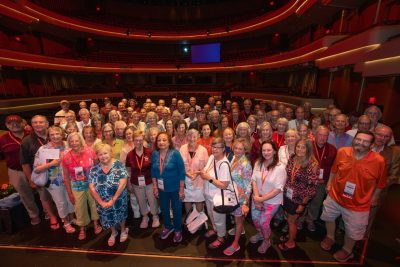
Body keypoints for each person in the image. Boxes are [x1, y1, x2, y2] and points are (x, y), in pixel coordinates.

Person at [320, 131, 387, 262]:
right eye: (358, 139)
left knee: (353, 231)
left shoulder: (379, 161)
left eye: (365, 141)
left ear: (371, 145)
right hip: (335, 196)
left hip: (358, 204)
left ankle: (347, 250)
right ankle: (330, 237)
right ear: (354, 139)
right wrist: (329, 184)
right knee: (328, 217)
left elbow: (381, 183)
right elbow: (334, 170)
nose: (360, 143)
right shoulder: (343, 152)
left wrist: (375, 197)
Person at [33, 126, 75, 233]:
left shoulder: (69, 145)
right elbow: (36, 169)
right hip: (55, 182)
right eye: (52, 134)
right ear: (49, 136)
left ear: (62, 134)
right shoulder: (44, 149)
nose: (55, 136)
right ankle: (65, 222)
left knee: (71, 201)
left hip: (71, 179)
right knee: (61, 202)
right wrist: (51, 164)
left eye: (58, 134)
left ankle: (71, 218)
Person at [279, 139, 319, 251]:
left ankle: (291, 242)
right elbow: (287, 174)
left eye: (303, 147)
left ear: (308, 149)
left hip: (299, 198)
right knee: (289, 218)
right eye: (298, 147)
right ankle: (291, 235)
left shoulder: (313, 164)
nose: (299, 149)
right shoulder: (293, 158)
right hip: (288, 194)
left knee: (292, 220)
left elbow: (312, 188)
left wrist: (303, 204)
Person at [0, 115, 40, 225]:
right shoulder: (2, 139)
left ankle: (48, 212)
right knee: (25, 194)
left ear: (23, 123)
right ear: (6, 125)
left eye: (17, 122)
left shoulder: (32, 135)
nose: (14, 125)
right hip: (16, 171)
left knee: (43, 192)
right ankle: (34, 215)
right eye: (10, 123)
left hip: (36, 169)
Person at [20, 115, 59, 229]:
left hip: (58, 173)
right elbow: (25, 163)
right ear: (32, 125)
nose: (38, 124)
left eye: (41, 122)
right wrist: (30, 179)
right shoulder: (27, 141)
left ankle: (64, 216)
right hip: (42, 174)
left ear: (47, 124)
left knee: (60, 197)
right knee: (45, 197)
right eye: (35, 122)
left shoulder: (55, 135)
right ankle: (52, 216)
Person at [62, 132, 102, 240]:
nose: (74, 143)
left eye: (76, 140)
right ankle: (82, 227)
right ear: (69, 142)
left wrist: (99, 183)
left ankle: (96, 223)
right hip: (76, 185)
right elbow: (65, 176)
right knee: (79, 207)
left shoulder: (90, 151)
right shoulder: (65, 157)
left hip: (91, 183)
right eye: (71, 141)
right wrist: (69, 193)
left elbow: (98, 167)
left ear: (81, 140)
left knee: (94, 204)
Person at [250, 141, 287, 253]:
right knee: (255, 220)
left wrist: (261, 199)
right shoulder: (258, 163)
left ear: (275, 151)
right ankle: (261, 234)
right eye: (264, 150)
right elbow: (254, 180)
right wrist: (257, 197)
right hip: (257, 197)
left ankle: (266, 240)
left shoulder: (280, 167)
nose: (266, 152)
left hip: (272, 201)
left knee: (263, 222)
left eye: (269, 150)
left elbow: (277, 189)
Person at [88, 144, 129, 247]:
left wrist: (113, 199)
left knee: (121, 214)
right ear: (97, 156)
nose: (103, 156)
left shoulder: (119, 165)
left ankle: (123, 230)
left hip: (118, 199)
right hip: (103, 202)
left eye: (105, 153)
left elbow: (123, 183)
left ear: (111, 153)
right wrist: (101, 202)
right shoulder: (94, 169)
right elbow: (92, 188)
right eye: (100, 154)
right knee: (107, 216)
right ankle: (114, 232)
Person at [152, 132, 185, 243]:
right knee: (164, 208)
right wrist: (155, 187)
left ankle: (177, 229)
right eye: (159, 140)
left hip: (175, 188)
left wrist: (181, 189)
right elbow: (153, 171)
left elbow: (182, 172)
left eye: (164, 140)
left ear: (169, 142)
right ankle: (167, 226)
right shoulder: (155, 154)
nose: (161, 142)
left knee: (176, 209)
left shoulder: (175, 153)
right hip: (162, 188)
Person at [303, 126, 337, 231]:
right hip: (306, 181)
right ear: (315, 135)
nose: (322, 137)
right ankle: (300, 219)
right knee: (303, 201)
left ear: (328, 137)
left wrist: (329, 182)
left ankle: (311, 220)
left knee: (316, 203)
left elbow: (334, 168)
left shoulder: (332, 149)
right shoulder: (307, 146)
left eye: (325, 135)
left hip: (321, 182)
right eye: (320, 134)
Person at [200, 137, 230, 249]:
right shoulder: (212, 157)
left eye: (218, 147)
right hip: (208, 194)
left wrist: (209, 178)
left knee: (219, 218)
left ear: (223, 149)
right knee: (211, 215)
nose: (215, 150)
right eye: (213, 147)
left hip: (218, 196)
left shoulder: (224, 164)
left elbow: (224, 185)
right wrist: (203, 172)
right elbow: (205, 170)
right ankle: (215, 230)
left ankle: (221, 237)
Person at [223, 138, 252, 256]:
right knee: (236, 218)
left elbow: (249, 185)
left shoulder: (246, 164)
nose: (238, 150)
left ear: (245, 150)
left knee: (238, 220)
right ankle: (239, 230)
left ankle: (236, 244)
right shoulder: (234, 158)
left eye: (241, 149)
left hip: (240, 198)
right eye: (236, 148)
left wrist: (245, 202)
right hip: (232, 194)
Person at [126, 130, 160, 229]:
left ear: (143, 140)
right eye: (136, 140)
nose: (138, 142)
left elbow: (154, 168)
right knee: (140, 200)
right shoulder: (130, 155)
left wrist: (155, 183)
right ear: (133, 141)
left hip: (149, 181)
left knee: (152, 199)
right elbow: (128, 170)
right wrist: (129, 183)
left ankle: (155, 216)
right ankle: (145, 217)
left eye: (140, 140)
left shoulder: (150, 152)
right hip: (136, 182)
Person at [179, 129, 209, 217]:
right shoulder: (182, 148)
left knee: (199, 201)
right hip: (186, 181)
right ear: (187, 137)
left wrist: (198, 173)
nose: (192, 139)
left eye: (194, 137)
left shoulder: (203, 150)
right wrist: (185, 173)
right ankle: (189, 219)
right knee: (187, 201)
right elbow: (180, 165)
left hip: (199, 181)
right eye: (189, 136)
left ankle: (199, 221)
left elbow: (206, 167)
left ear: (198, 137)